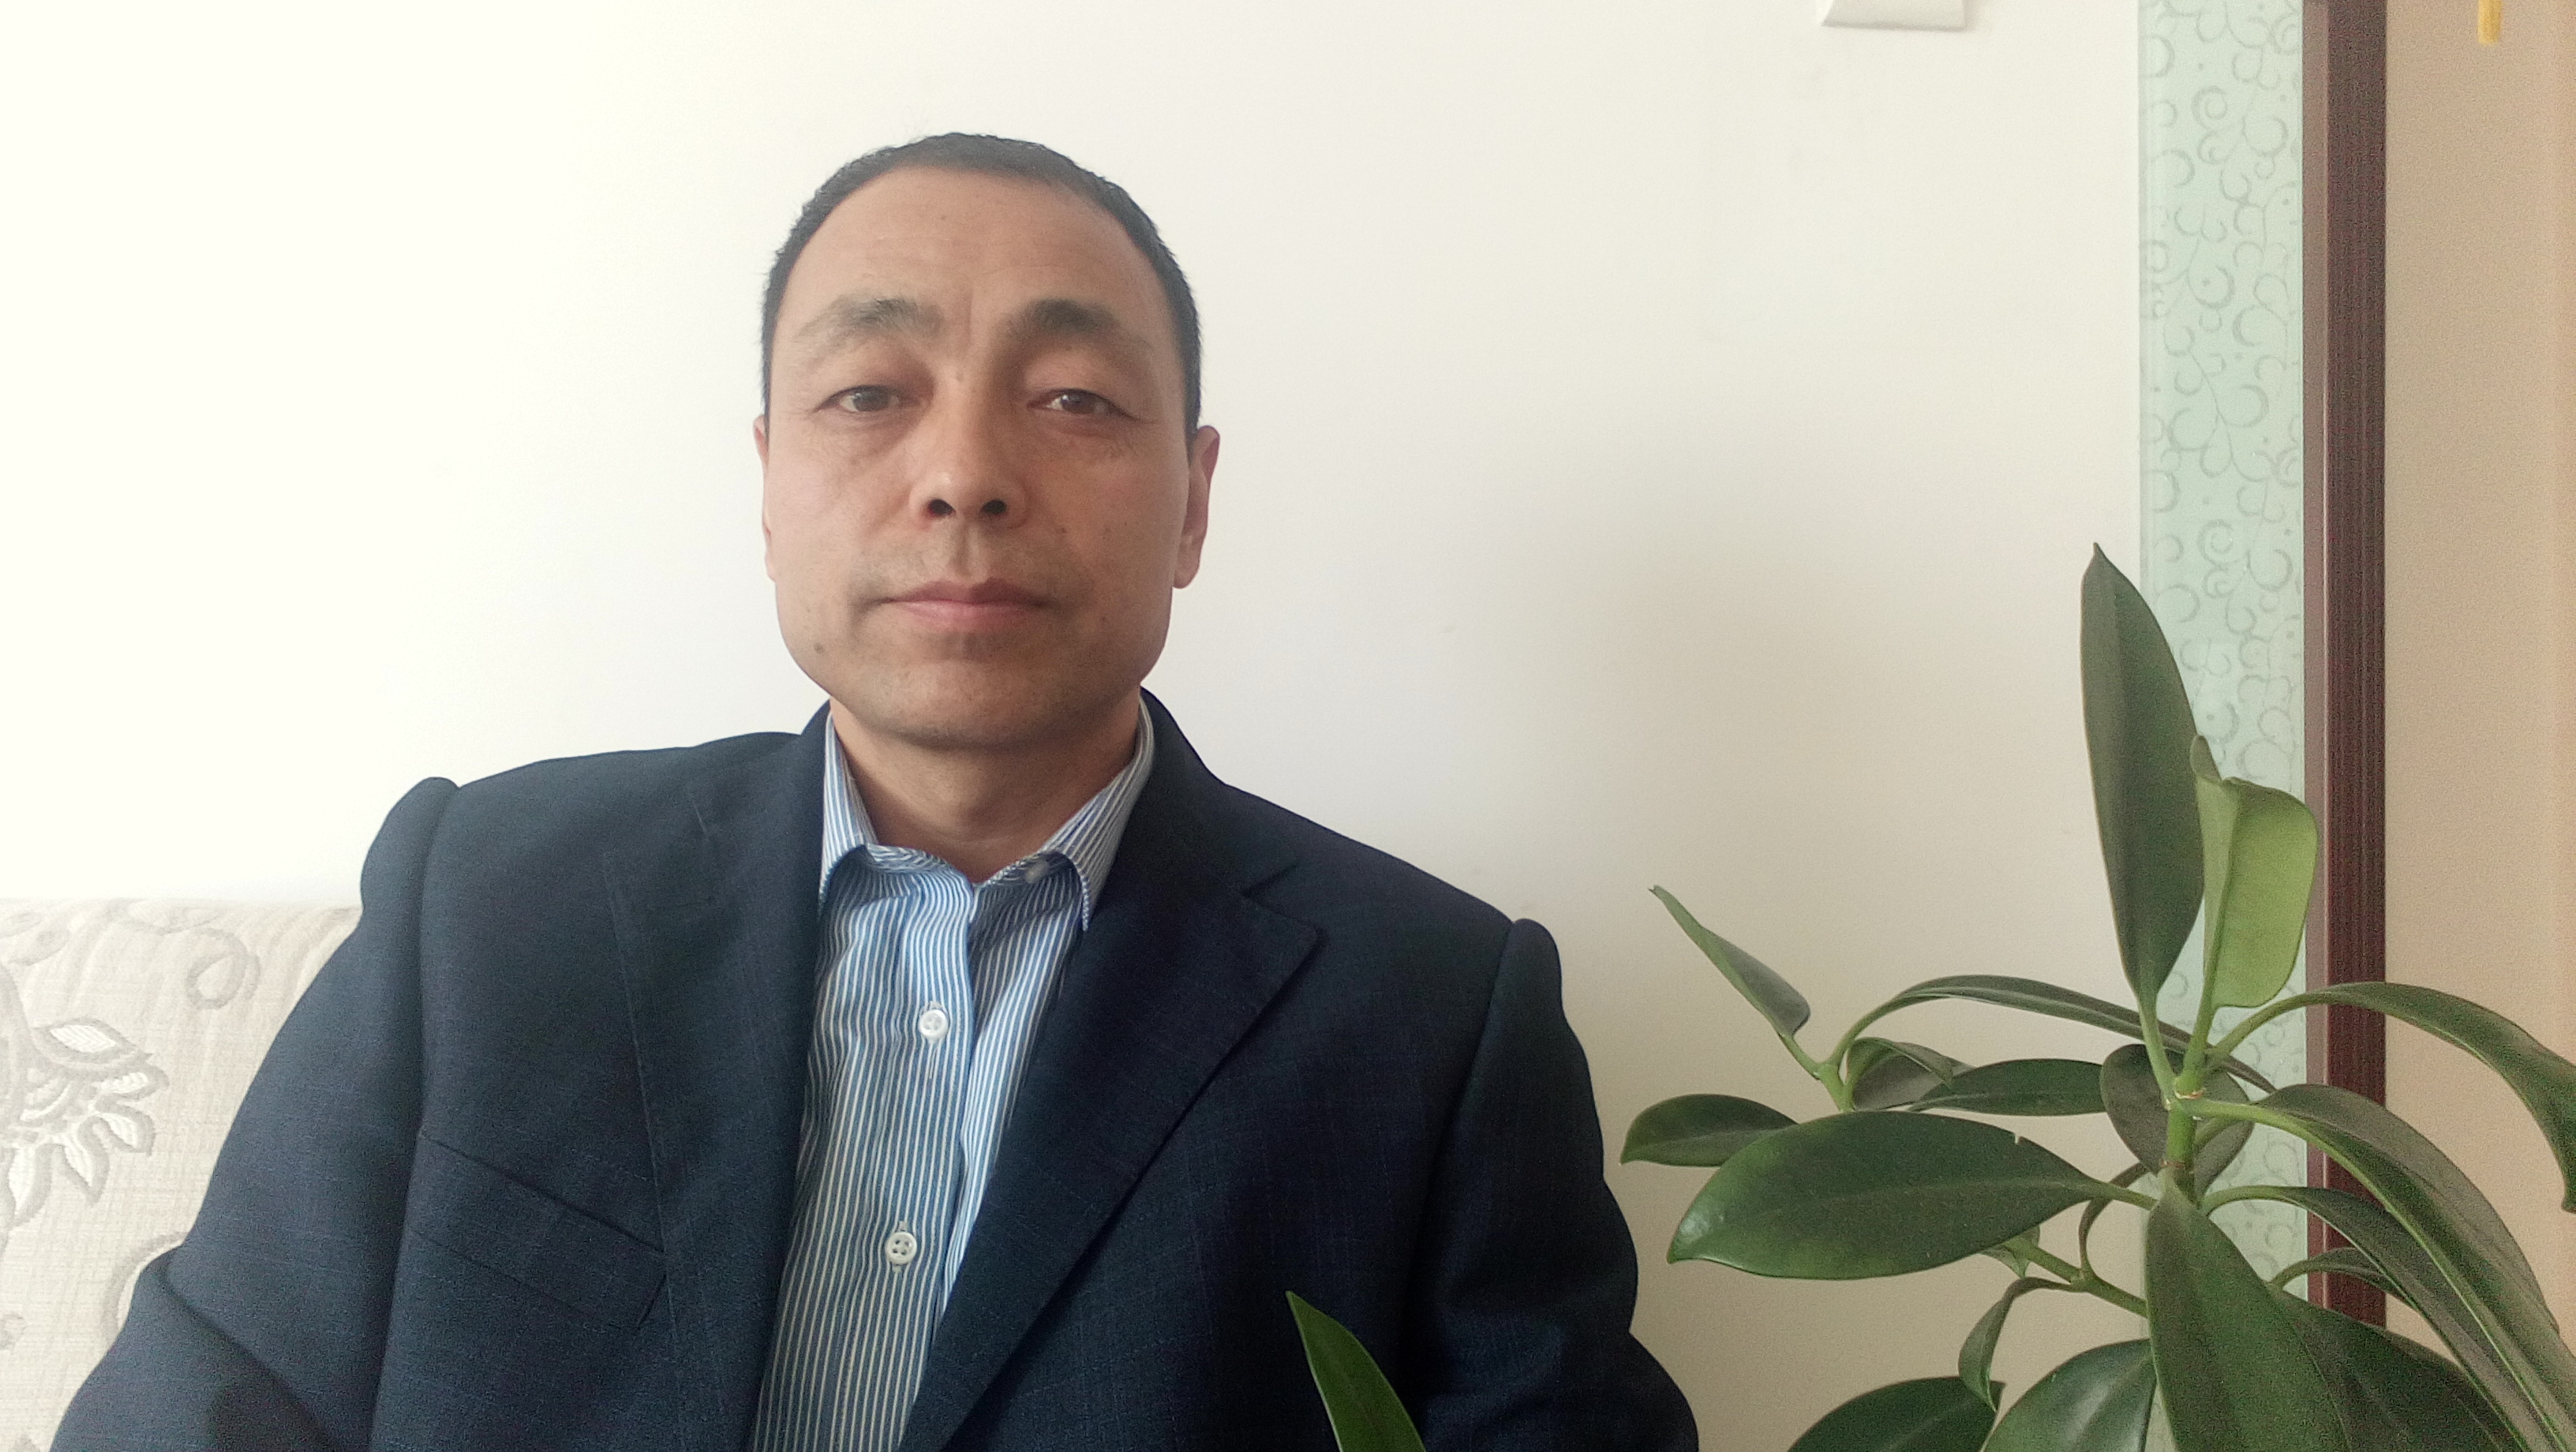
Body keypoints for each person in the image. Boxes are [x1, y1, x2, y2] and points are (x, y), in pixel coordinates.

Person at [59, 134, 1697, 1452]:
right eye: (868, 393)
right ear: (770, 484)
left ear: (1193, 504)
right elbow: (207, 1406)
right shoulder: (483, 895)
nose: (964, 472)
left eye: (1074, 399)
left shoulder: (1433, 1013)